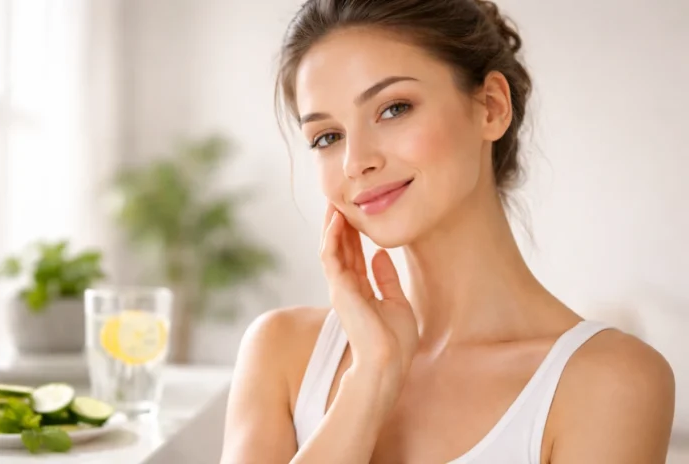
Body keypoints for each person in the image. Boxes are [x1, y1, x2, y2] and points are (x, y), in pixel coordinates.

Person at [220, 0, 676, 462]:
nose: (356, 161)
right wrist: (371, 379)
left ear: (492, 108)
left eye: (394, 109)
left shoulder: (608, 382)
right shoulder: (281, 352)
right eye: (327, 137)